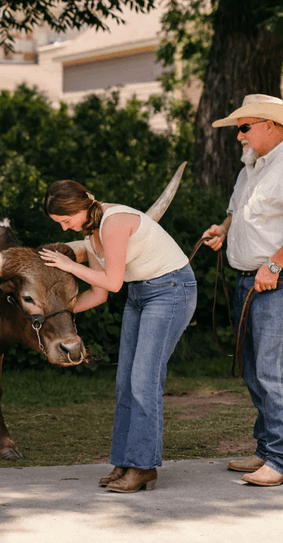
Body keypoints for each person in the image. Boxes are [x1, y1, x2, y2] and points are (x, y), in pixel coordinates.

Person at [201, 94, 283, 487]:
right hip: (251, 279)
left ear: (272, 125)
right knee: (256, 370)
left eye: (244, 127)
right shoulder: (249, 170)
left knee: (274, 370)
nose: (239, 136)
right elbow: (237, 211)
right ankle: (268, 448)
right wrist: (223, 230)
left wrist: (273, 264)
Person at [39, 181, 196, 493]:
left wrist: (70, 264)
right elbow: (98, 295)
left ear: (80, 208)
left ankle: (143, 466)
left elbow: (111, 282)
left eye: (66, 220)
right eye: (60, 224)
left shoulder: (114, 222)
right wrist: (55, 317)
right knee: (125, 381)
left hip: (170, 291)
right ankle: (124, 462)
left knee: (144, 381)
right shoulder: (92, 231)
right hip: (140, 294)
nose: (66, 227)